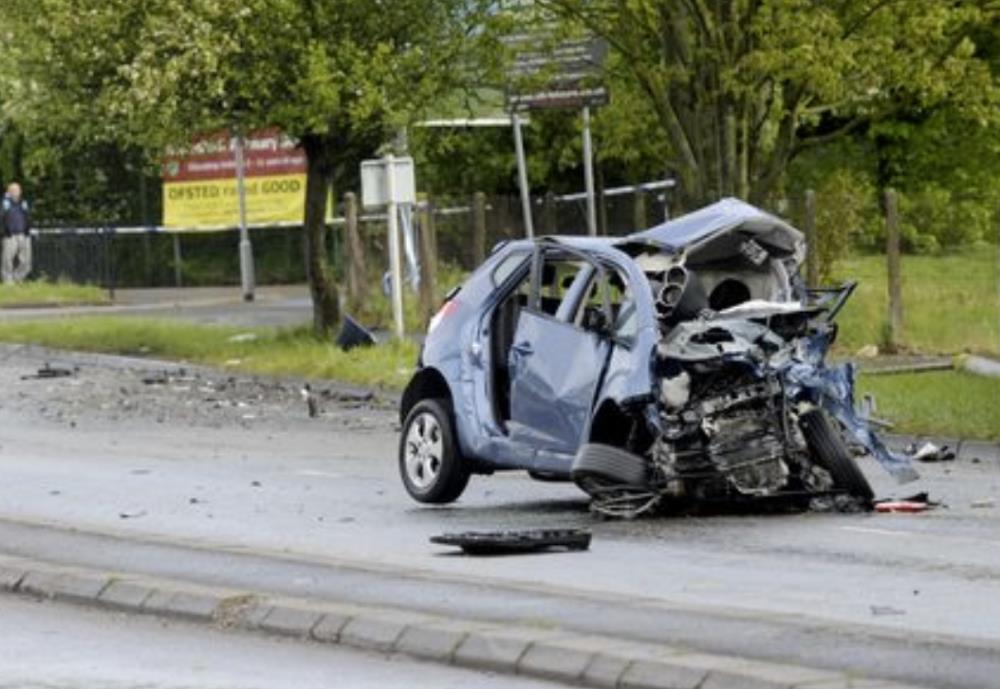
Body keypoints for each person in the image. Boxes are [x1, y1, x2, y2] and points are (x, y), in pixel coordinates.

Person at [2, 182, 31, 284]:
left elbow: (27, 216)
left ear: (20, 191)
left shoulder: (24, 202)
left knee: (26, 260)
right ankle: (8, 281)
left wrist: (27, 229)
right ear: (9, 192)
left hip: (23, 234)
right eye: (13, 190)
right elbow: (3, 217)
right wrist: (5, 230)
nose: (15, 192)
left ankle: (18, 278)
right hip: (10, 235)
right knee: (7, 259)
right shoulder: (5, 203)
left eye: (17, 190)